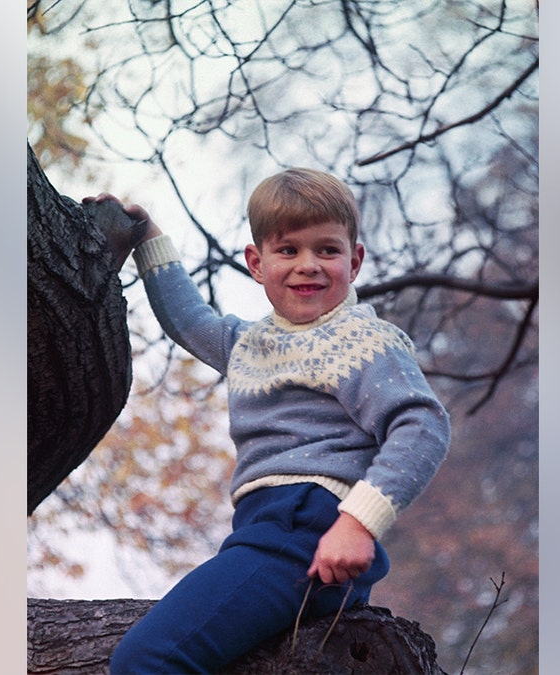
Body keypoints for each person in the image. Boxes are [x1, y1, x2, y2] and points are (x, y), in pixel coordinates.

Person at [85, 168, 451, 674]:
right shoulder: (249, 344)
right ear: (256, 264)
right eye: (288, 250)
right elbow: (189, 321)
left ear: (355, 260)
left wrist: (357, 523)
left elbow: (422, 427)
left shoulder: (363, 341)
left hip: (311, 528)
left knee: (147, 659)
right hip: (267, 530)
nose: (309, 266)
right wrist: (148, 239)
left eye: (327, 250)